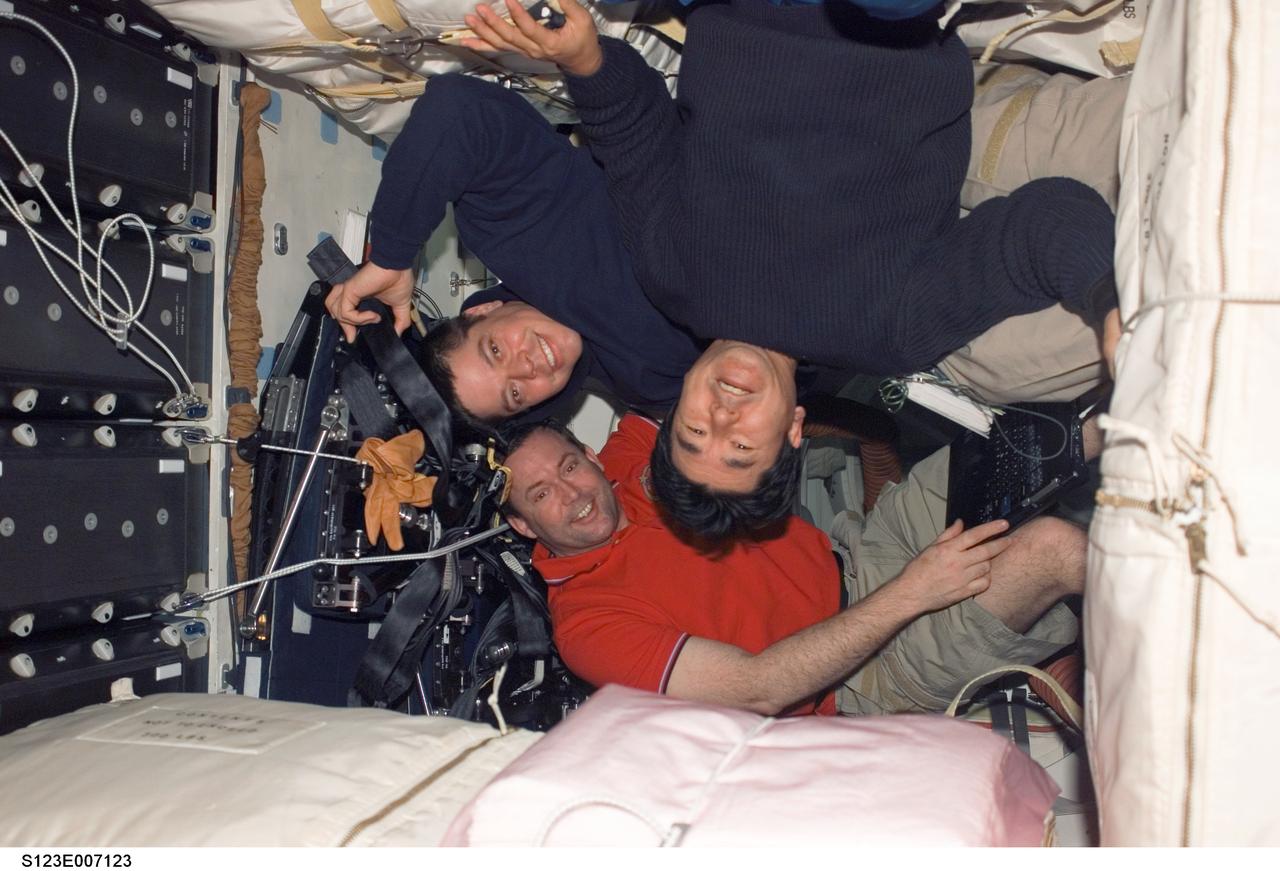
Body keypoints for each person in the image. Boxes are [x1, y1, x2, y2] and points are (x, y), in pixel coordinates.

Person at [462, 0, 1121, 538]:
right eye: (741, 447)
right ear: (795, 431)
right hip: (872, 21)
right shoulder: (889, 331)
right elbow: (1041, 228)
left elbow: (632, 132)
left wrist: (583, 58)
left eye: (694, 431)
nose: (721, 419)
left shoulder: (672, 280)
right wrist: (1108, 301)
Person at [500, 414, 1083, 716]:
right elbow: (759, 689)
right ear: (524, 526)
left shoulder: (625, 467)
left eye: (570, 466)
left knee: (1043, 439)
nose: (572, 493)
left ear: (589, 455)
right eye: (540, 494)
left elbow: (665, 363)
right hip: (864, 671)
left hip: (864, 550)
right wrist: (914, 591)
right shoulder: (587, 624)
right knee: (1051, 547)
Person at [323, 73, 703, 428]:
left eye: (496, 351)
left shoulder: (516, 230)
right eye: (515, 394)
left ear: (484, 310)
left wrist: (391, 255)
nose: (526, 367)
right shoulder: (649, 383)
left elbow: (459, 109)